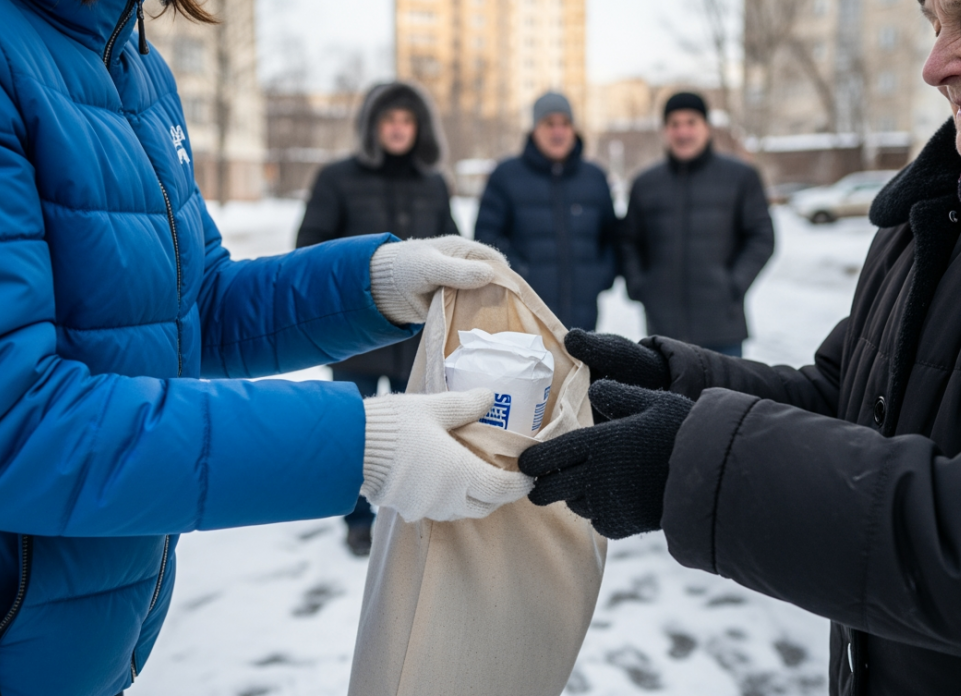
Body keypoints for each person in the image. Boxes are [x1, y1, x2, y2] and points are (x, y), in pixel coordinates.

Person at [519, 0, 961, 694]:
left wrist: (689, 463)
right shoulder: (945, 204)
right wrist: (674, 385)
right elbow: (848, 401)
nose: (935, 66)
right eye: (936, 23)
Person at [0, 2, 531, 695]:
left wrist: (374, 284)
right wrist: (358, 444)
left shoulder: (136, 69)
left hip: (73, 645)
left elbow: (195, 304)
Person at [296, 81, 458, 556]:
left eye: (406, 120)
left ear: (420, 128)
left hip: (417, 337)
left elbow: (450, 243)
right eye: (388, 120)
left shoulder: (434, 183)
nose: (397, 129)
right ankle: (359, 521)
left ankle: (409, 514)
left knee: (419, 428)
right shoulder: (337, 179)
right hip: (355, 335)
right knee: (357, 432)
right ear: (372, 127)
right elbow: (310, 249)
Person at [619, 91, 776, 357]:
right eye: (674, 124)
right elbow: (628, 240)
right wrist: (640, 286)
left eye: (691, 122)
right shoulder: (645, 184)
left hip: (722, 330)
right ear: (664, 131)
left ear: (706, 127)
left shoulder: (740, 177)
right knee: (666, 399)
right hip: (662, 333)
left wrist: (733, 284)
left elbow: (762, 236)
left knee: (726, 399)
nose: (683, 132)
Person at [475, 92, 619, 330]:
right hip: (523, 319)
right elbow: (486, 239)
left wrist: (599, 276)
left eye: (565, 123)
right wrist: (520, 276)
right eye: (549, 124)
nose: (558, 132)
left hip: (583, 323)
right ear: (534, 129)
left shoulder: (594, 178)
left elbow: (611, 238)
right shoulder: (506, 176)